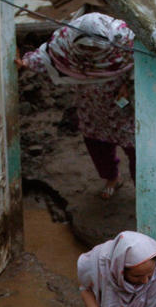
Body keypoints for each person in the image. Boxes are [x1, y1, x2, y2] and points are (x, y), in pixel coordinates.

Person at [18, 12, 136, 199]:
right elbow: (49, 57)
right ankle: (112, 178)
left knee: (136, 151)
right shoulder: (65, 42)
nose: (91, 53)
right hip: (91, 109)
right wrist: (26, 62)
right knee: (98, 148)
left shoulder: (125, 41)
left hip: (123, 111)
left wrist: (129, 83)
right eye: (86, 48)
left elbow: (143, 64)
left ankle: (143, 190)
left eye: (95, 48)